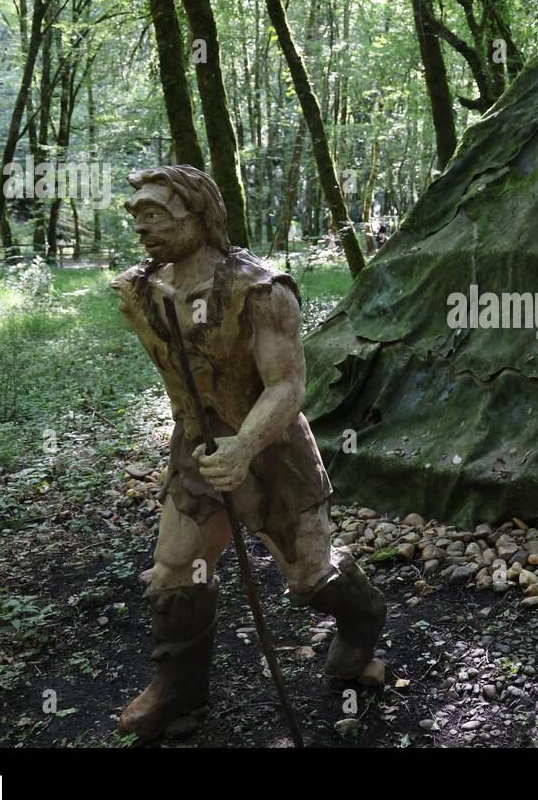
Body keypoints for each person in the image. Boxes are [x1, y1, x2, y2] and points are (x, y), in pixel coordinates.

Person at [111, 164, 385, 741]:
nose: (142, 228)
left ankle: (363, 622)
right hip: (198, 445)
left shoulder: (261, 290)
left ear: (198, 215)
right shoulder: (141, 290)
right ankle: (180, 689)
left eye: (156, 214)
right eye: (136, 216)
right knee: (175, 569)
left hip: (270, 445)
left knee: (309, 575)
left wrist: (245, 445)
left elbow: (287, 385)